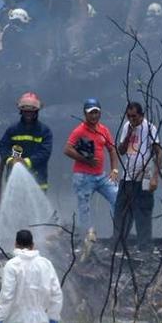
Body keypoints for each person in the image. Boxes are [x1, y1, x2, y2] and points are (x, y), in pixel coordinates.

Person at [64, 98, 120, 241]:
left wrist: (114, 169)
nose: (94, 116)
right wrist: (86, 160)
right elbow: (67, 149)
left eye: (96, 112)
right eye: (91, 113)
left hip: (101, 176)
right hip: (83, 176)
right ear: (85, 114)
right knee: (85, 208)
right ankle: (88, 238)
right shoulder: (79, 130)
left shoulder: (103, 130)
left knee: (118, 198)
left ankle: (119, 233)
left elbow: (112, 149)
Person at [113, 102, 162, 251]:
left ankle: (145, 247)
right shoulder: (127, 126)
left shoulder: (150, 128)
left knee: (143, 213)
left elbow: (158, 153)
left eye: (134, 116)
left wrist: (155, 177)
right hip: (128, 176)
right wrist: (128, 134)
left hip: (145, 175)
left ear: (141, 115)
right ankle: (118, 245)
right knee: (121, 211)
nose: (131, 119)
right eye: (129, 116)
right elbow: (121, 150)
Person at [0, 91, 53, 200]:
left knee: (37, 215)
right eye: (26, 111)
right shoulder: (12, 130)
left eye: (31, 112)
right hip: (15, 181)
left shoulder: (44, 131)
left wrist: (26, 162)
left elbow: (45, 153)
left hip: (38, 180)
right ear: (21, 111)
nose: (28, 114)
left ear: (36, 112)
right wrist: (10, 160)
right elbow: (2, 147)